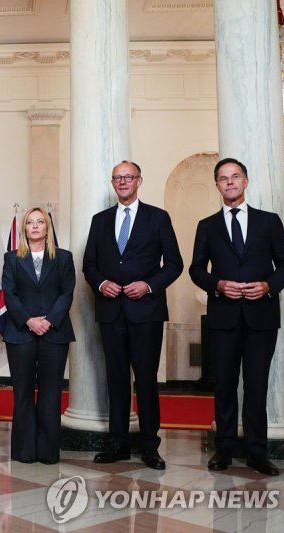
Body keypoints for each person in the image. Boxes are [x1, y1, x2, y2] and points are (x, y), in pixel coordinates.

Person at [189, 158, 284, 476]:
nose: (229, 182)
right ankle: (225, 448)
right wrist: (217, 284)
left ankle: (257, 451)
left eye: (235, 177)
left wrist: (268, 286)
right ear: (217, 185)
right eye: (223, 178)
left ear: (245, 182)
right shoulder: (207, 226)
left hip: (261, 317)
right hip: (223, 317)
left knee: (257, 385)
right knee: (225, 385)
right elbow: (195, 269)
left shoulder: (269, 222)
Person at [83, 160, 182, 470]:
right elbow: (89, 265)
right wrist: (101, 283)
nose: (123, 182)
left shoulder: (158, 218)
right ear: (113, 183)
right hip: (111, 312)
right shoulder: (100, 220)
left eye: (128, 177)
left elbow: (175, 264)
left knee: (147, 380)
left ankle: (150, 446)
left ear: (140, 180)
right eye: (117, 177)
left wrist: (149, 286)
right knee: (115, 379)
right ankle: (118, 443)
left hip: (146, 313)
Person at [1, 207, 75, 464]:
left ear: (47, 227)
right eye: (30, 222)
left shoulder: (64, 258)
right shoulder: (12, 258)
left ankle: (47, 452)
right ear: (23, 228)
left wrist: (49, 321)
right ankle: (24, 451)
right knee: (22, 393)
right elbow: (9, 294)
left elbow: (67, 293)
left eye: (40, 222)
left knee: (50, 393)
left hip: (55, 333)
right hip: (21, 333)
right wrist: (30, 321)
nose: (35, 226)